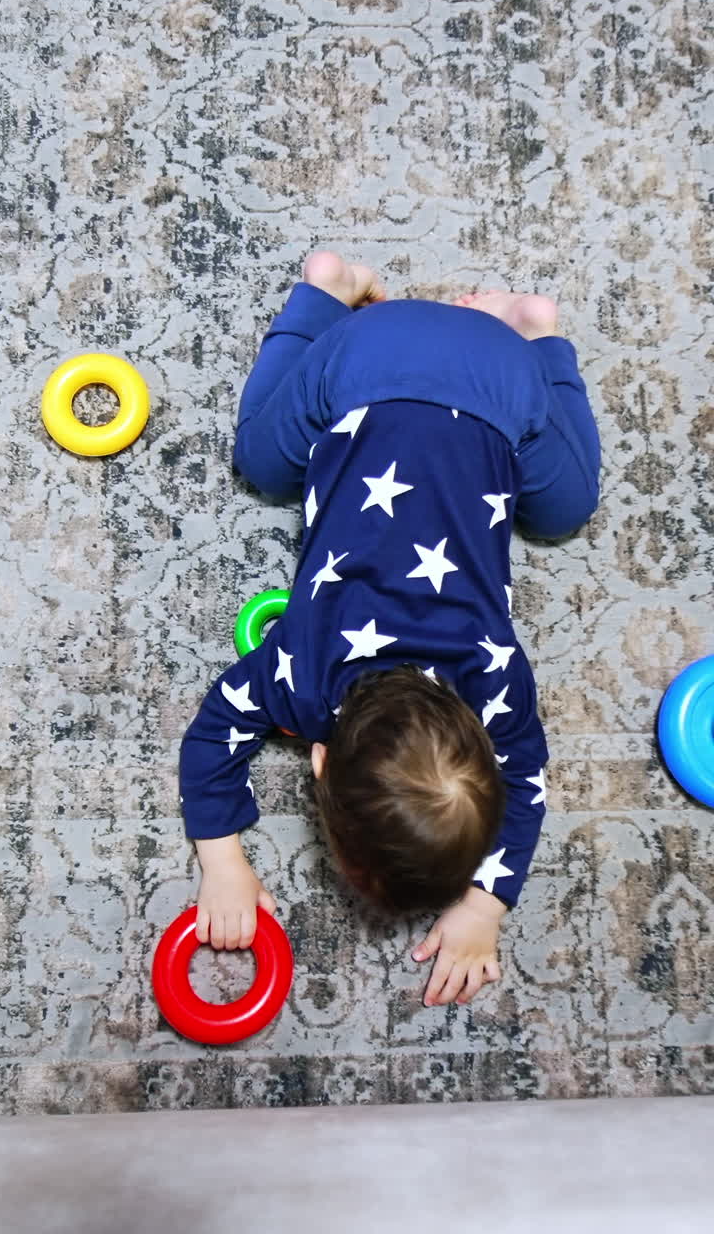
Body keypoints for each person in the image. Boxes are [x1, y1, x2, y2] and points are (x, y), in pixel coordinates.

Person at [179, 252, 601, 1008]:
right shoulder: (301, 673)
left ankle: (537, 330)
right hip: (370, 357)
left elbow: (525, 781)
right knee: (260, 461)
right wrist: (221, 862)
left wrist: (483, 902)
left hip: (461, 367)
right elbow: (211, 737)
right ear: (316, 761)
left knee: (568, 507)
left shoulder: (494, 680)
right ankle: (327, 291)